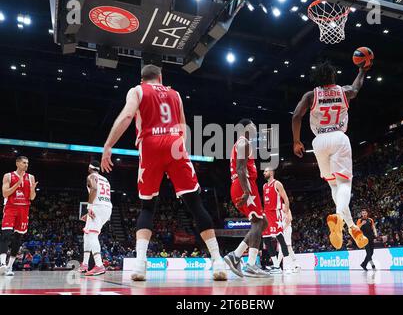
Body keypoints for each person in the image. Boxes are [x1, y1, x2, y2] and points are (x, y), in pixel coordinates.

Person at [101, 64, 226, 281]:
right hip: (175, 142)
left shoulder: (137, 90)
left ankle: (140, 265)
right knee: (195, 205)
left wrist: (108, 145)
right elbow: (184, 127)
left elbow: (127, 115)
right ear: (160, 77)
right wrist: (178, 154)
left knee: (148, 206)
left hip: (150, 145)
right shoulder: (175, 93)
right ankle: (218, 261)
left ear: (142, 79)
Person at [292, 60, 371, 251]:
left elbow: (296, 116)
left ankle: (352, 227)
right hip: (338, 137)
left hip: (319, 142)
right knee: (344, 184)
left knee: (334, 185)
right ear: (333, 76)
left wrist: (296, 141)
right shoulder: (344, 91)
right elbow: (356, 88)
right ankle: (339, 218)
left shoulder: (311, 95)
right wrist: (362, 71)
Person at [224, 119, 270, 278]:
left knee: (263, 222)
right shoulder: (243, 143)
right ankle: (250, 264)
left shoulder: (243, 144)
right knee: (258, 222)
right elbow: (240, 168)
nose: (255, 128)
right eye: (253, 125)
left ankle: (235, 256)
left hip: (245, 184)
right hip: (245, 184)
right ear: (245, 128)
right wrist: (245, 191)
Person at [0, 156, 38, 276]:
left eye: (27, 163)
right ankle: (2, 264)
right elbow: (5, 193)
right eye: (24, 162)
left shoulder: (31, 177)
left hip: (24, 209)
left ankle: (9, 267)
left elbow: (32, 197)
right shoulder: (8, 176)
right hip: (11, 207)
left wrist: (32, 190)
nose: (26, 165)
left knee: (18, 239)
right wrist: (18, 183)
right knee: (6, 235)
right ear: (17, 163)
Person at [78, 161, 112, 276]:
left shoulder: (91, 176)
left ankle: (99, 265)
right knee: (87, 234)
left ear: (90, 168)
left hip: (97, 207)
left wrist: (89, 207)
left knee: (92, 235)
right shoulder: (105, 179)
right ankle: (85, 264)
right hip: (107, 209)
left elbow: (94, 188)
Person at [261, 168, 294, 274]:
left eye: (266, 171)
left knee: (280, 238)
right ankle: (276, 265)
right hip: (266, 214)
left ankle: (287, 265)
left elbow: (286, 198)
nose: (264, 173)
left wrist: (287, 213)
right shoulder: (264, 186)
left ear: (271, 172)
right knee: (266, 239)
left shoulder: (277, 184)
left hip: (275, 213)